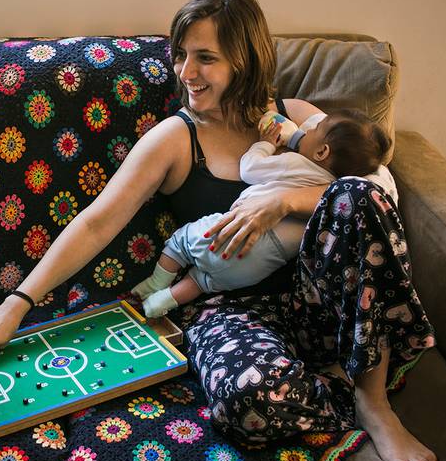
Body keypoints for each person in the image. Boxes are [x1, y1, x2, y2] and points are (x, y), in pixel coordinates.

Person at [0, 0, 438, 461]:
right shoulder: (175, 137)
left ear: (245, 62)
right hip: (227, 308)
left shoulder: (298, 119)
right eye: (181, 55)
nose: (186, 72)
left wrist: (286, 200)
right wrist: (17, 303)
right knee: (248, 404)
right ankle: (334, 385)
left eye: (205, 58)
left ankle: (372, 401)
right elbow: (98, 221)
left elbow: (375, 192)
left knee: (355, 196)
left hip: (321, 299)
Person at [134, 109, 392, 318]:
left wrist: (265, 144)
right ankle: (163, 302)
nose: (307, 129)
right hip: (262, 262)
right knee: (203, 281)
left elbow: (250, 169)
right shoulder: (338, 185)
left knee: (181, 242)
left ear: (322, 152)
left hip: (233, 231)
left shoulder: (296, 163)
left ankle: (155, 284)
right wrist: (295, 138)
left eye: (314, 129)